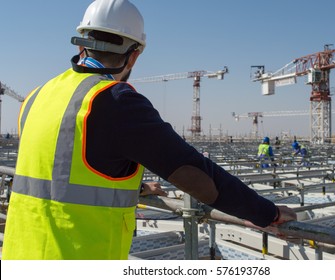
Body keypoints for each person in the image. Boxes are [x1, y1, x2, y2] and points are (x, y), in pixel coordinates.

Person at [2, 0, 296, 260]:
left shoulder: (36, 97)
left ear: (81, 44)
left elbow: (61, 172)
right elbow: (196, 174)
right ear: (134, 55)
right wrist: (265, 212)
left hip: (19, 255)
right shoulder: (114, 101)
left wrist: (137, 188)